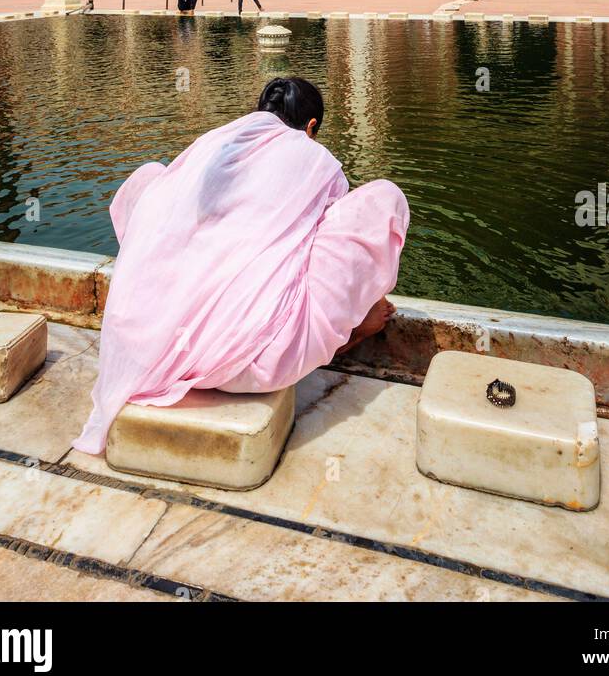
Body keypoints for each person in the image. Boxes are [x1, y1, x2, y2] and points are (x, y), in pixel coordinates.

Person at [72, 78, 409, 455]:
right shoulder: (316, 159)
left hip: (154, 352)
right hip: (258, 364)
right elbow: (322, 249)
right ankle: (351, 327)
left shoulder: (212, 145)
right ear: (311, 127)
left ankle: (171, 312)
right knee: (384, 198)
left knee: (151, 179)